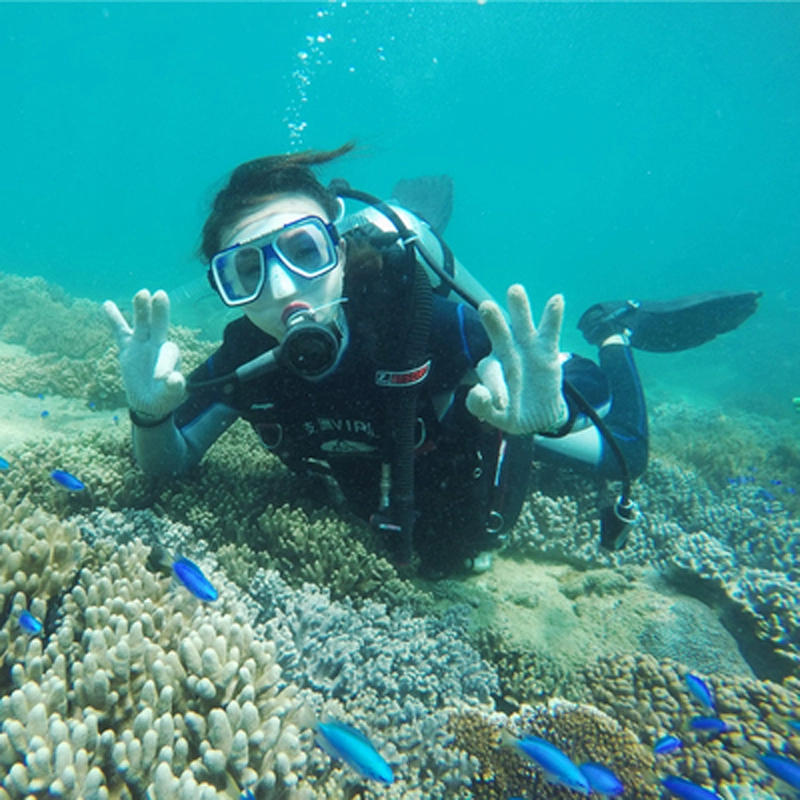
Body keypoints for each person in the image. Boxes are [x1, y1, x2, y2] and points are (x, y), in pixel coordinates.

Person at [104, 143, 760, 577]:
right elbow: (170, 464)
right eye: (244, 271)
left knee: (628, 453)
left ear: (338, 245)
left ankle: (617, 328)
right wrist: (147, 414)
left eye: (304, 251)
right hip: (397, 490)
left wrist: (548, 416)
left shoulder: (426, 321)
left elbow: (617, 440)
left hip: (468, 461)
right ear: (223, 290)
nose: (281, 291)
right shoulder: (245, 355)